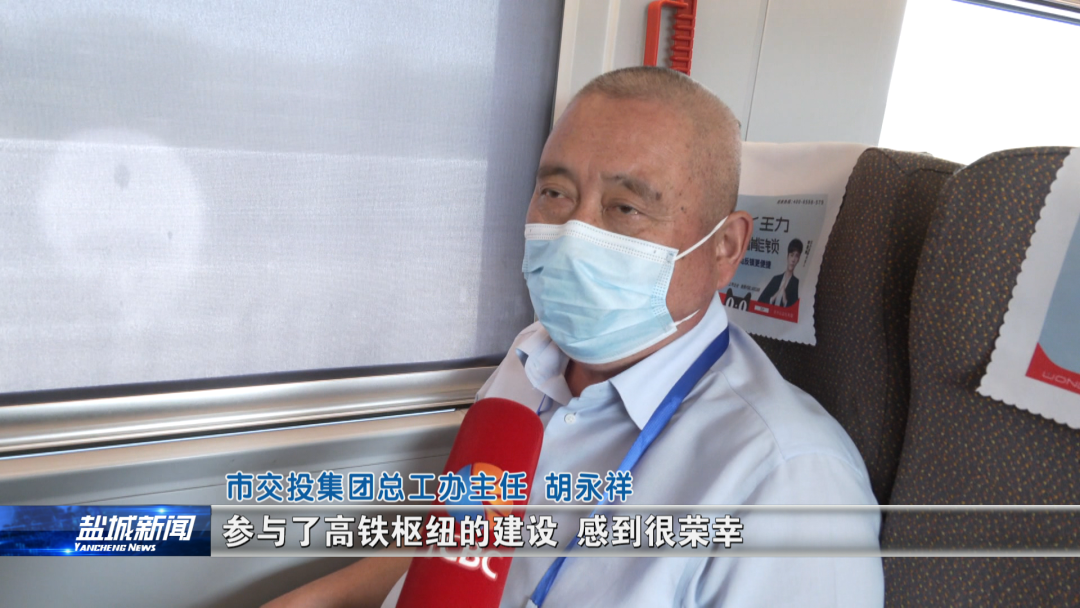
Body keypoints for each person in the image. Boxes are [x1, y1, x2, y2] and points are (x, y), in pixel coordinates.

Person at [265, 67, 882, 608]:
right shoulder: (530, 358)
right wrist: (311, 600)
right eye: (556, 194)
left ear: (725, 248)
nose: (573, 232)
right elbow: (458, 544)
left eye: (624, 208)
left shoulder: (787, 481)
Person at [758, 238, 803, 307]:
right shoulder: (776, 279)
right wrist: (773, 298)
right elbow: (760, 300)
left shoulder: (796, 283)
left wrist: (785, 302)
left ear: (799, 259)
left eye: (796, 256)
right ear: (787, 256)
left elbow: (795, 308)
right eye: (791, 255)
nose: (793, 260)